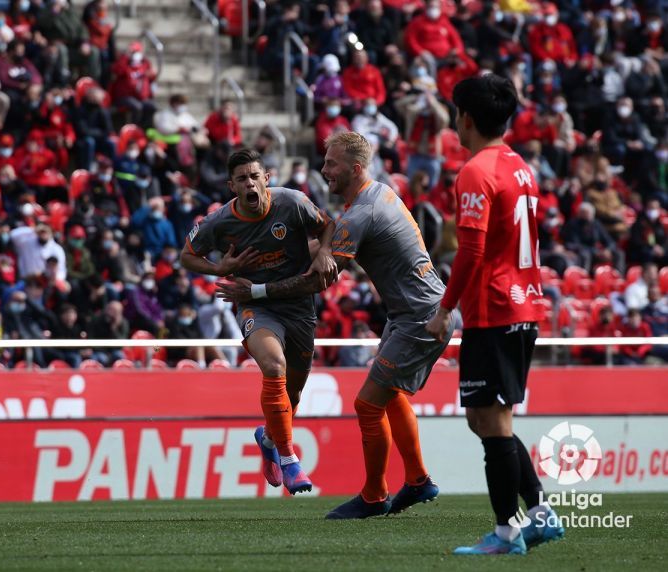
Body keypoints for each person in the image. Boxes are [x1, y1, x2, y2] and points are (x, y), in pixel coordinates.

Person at [217, 132, 456, 519]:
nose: (324, 170)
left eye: (331, 163)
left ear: (355, 168)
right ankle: (416, 480)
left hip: (420, 316)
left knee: (367, 404)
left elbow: (317, 281)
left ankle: (375, 496)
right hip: (414, 312)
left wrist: (256, 289)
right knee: (390, 395)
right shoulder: (378, 194)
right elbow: (325, 250)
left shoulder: (361, 214)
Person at [425, 75, 564, 555]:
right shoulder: (520, 166)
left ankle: (507, 533)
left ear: (465, 118)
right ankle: (541, 515)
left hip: (494, 308)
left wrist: (445, 310)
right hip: (523, 303)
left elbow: (472, 249)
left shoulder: (476, 170)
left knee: (492, 422)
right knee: (486, 419)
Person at [180, 149, 336, 495]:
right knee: (273, 365)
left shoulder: (292, 203)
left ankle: (267, 438)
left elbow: (328, 226)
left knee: (293, 393)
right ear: (231, 186)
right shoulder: (219, 222)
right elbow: (187, 256)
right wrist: (217, 269)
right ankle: (288, 457)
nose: (249, 183)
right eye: (242, 179)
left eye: (254, 176)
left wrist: (324, 250)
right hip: (254, 305)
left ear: (266, 178)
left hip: (299, 306)